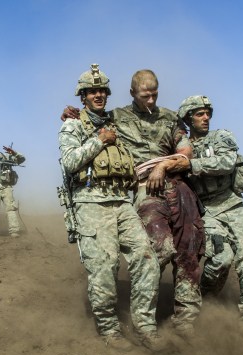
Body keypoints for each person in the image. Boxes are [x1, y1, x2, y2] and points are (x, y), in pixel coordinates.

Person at [63, 70, 205, 337]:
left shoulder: (169, 117)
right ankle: (129, 316)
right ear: (132, 94)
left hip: (177, 184)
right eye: (145, 95)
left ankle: (171, 322)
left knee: (189, 250)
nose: (150, 100)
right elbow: (89, 124)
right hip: (142, 189)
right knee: (157, 249)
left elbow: (185, 151)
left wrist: (163, 165)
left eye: (155, 94)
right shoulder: (116, 118)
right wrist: (73, 112)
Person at [59, 63, 162, 351]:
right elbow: (69, 162)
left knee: (147, 259)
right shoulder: (72, 126)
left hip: (121, 201)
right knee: (105, 267)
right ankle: (109, 328)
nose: (99, 95)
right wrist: (97, 140)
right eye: (92, 91)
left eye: (103, 90)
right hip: (90, 202)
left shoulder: (116, 123)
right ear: (83, 96)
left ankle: (145, 326)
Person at [178, 95, 243, 327]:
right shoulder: (181, 146)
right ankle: (206, 302)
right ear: (188, 118)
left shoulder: (221, 137)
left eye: (208, 113)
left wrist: (191, 165)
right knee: (221, 258)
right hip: (205, 211)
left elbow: (226, 162)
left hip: (231, 204)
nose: (206, 117)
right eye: (199, 114)